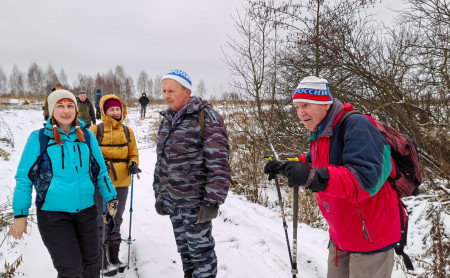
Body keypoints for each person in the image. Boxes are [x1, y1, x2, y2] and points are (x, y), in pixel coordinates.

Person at [264, 76, 404, 278]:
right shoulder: (321, 132)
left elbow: (364, 179)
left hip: (370, 236)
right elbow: (312, 161)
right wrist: (285, 166)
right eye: (296, 107)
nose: (300, 113)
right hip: (341, 235)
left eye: (305, 105)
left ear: (324, 104)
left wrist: (313, 177)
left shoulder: (357, 126)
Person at [10, 89, 118, 278]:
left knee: (92, 263)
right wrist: (20, 214)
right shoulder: (39, 138)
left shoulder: (87, 136)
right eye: (60, 106)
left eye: (70, 106)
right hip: (54, 216)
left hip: (87, 211)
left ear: (76, 109)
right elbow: (24, 179)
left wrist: (111, 198)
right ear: (52, 110)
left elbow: (100, 171)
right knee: (70, 269)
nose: (66, 110)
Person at [153, 69, 231, 278]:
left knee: (201, 255)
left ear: (186, 91)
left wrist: (212, 201)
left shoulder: (206, 117)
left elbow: (219, 164)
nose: (166, 95)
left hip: (195, 204)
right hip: (173, 201)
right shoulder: (168, 118)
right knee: (185, 251)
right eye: (164, 91)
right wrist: (160, 194)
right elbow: (162, 160)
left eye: (172, 90)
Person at [89, 94, 140, 274]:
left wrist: (133, 164)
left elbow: (133, 153)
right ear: (104, 111)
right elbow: (88, 155)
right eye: (111, 109)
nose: (115, 112)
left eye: (118, 109)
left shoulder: (128, 131)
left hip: (122, 183)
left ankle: (114, 257)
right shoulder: (95, 131)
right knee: (101, 218)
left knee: (116, 219)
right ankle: (101, 260)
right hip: (101, 184)